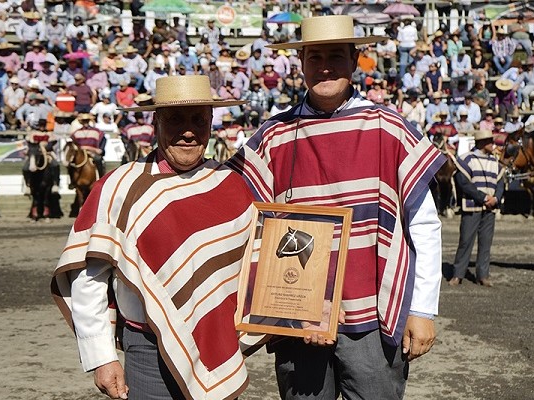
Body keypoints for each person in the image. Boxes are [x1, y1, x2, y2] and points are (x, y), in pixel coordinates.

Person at [232, 15, 444, 399]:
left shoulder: (388, 126)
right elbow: (236, 218)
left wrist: (423, 310)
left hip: (371, 318)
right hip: (296, 318)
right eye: (315, 57)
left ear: (354, 60)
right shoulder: (273, 135)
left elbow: (424, 223)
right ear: (300, 64)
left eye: (336, 56)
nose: (325, 66)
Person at [52, 75, 255, 400]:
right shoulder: (120, 188)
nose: (188, 131)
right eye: (175, 119)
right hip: (147, 354)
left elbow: (256, 266)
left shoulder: (231, 186)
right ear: (156, 122)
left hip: (220, 348)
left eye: (197, 119)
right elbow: (88, 281)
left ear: (211, 122)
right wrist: (102, 357)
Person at [448, 129, 504, 287]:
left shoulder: (495, 162)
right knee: (466, 241)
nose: (493, 144)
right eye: (490, 141)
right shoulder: (466, 159)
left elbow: (500, 183)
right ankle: (458, 274)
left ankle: (483, 275)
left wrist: (496, 198)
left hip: (490, 209)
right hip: (472, 208)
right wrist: (484, 197)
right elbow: (464, 184)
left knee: (486, 243)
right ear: (481, 143)